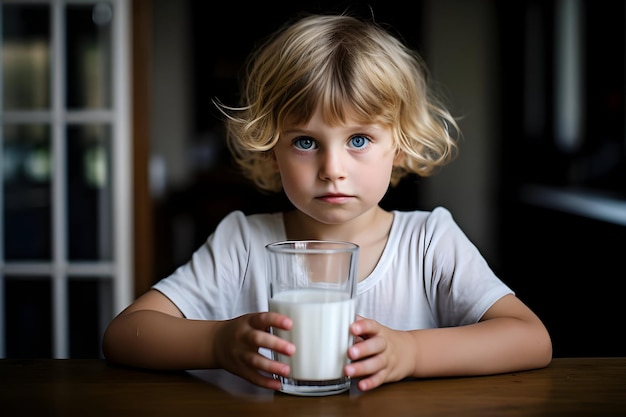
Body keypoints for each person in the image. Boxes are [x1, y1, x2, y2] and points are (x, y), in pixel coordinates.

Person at [102, 12, 552, 393]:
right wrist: (217, 343)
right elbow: (124, 335)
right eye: (304, 142)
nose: (332, 168)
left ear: (398, 145)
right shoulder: (242, 242)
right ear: (271, 150)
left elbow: (531, 339)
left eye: (358, 139)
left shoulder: (429, 242)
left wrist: (412, 352)